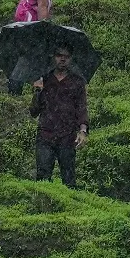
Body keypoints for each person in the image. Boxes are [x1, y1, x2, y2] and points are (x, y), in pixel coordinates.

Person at [29, 46, 88, 188]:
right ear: (53, 57)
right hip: (45, 134)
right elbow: (34, 111)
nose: (62, 59)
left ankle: (71, 209)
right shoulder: (45, 79)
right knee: (43, 176)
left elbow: (81, 107)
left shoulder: (77, 82)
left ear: (71, 59)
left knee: (68, 178)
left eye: (66, 56)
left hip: (67, 135)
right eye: (59, 55)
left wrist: (83, 130)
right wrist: (37, 91)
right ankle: (42, 208)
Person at [10, 0, 51, 94]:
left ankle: (19, 95)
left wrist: (42, 27)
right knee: (27, 64)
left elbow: (42, 4)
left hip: (32, 30)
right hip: (28, 29)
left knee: (24, 66)